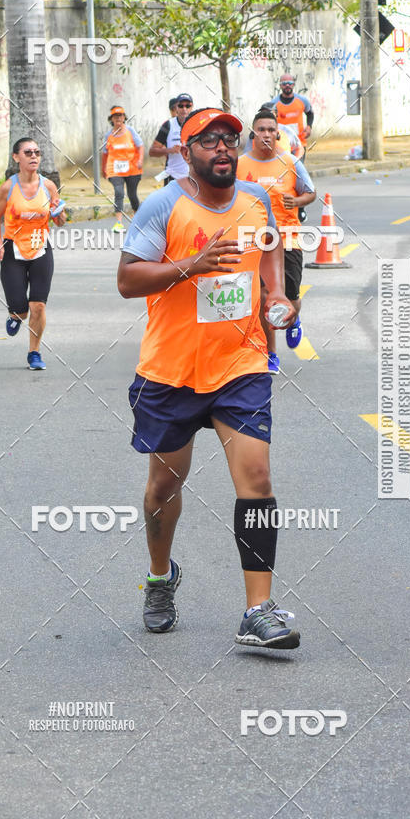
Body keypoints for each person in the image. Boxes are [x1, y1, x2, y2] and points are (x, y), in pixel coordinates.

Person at [118, 107, 301, 650]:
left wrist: (276, 296)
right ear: (186, 151)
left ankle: (257, 610)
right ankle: (159, 577)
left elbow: (269, 252)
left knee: (257, 479)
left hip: (240, 365)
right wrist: (191, 265)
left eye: (229, 139)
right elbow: (127, 279)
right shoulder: (163, 205)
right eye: (208, 140)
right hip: (171, 372)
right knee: (163, 486)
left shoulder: (256, 199)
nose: (222, 147)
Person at [237, 109, 316, 374]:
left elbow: (311, 192)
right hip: (254, 240)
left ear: (277, 134)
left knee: (291, 297)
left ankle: (294, 319)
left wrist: (298, 200)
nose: (267, 134)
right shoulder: (240, 165)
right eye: (261, 129)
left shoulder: (291, 162)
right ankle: (270, 353)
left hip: (288, 237)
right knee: (263, 297)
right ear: (253, 134)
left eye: (271, 130)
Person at [0, 137, 66, 370]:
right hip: (13, 250)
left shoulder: (49, 186)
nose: (34, 156)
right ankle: (15, 316)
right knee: (21, 310)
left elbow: (60, 221)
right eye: (28, 152)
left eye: (37, 152)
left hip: (41, 249)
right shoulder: (8, 188)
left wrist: (59, 213)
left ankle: (34, 352)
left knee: (38, 305)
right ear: (16, 157)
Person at [270, 74, 313, 221]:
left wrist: (309, 126)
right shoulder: (274, 104)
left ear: (293, 84)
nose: (287, 85)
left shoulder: (302, 101)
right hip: (282, 148)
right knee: (283, 179)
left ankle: (300, 208)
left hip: (298, 146)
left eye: (289, 82)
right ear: (280, 85)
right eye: (284, 83)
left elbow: (310, 113)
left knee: (298, 177)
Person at [101, 106, 144, 233]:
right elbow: (104, 153)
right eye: (115, 116)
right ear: (111, 119)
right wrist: (103, 168)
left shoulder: (131, 131)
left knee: (132, 195)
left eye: (120, 116)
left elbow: (140, 146)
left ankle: (138, 220)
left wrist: (140, 160)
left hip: (132, 168)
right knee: (119, 192)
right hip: (115, 169)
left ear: (124, 117)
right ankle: (119, 223)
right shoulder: (108, 135)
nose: (118, 118)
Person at [148, 93, 193, 184]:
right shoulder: (168, 125)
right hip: (173, 177)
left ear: (192, 107)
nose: (184, 109)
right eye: (181, 106)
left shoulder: (197, 124)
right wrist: (170, 150)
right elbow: (152, 152)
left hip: (193, 176)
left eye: (187, 106)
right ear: (176, 108)